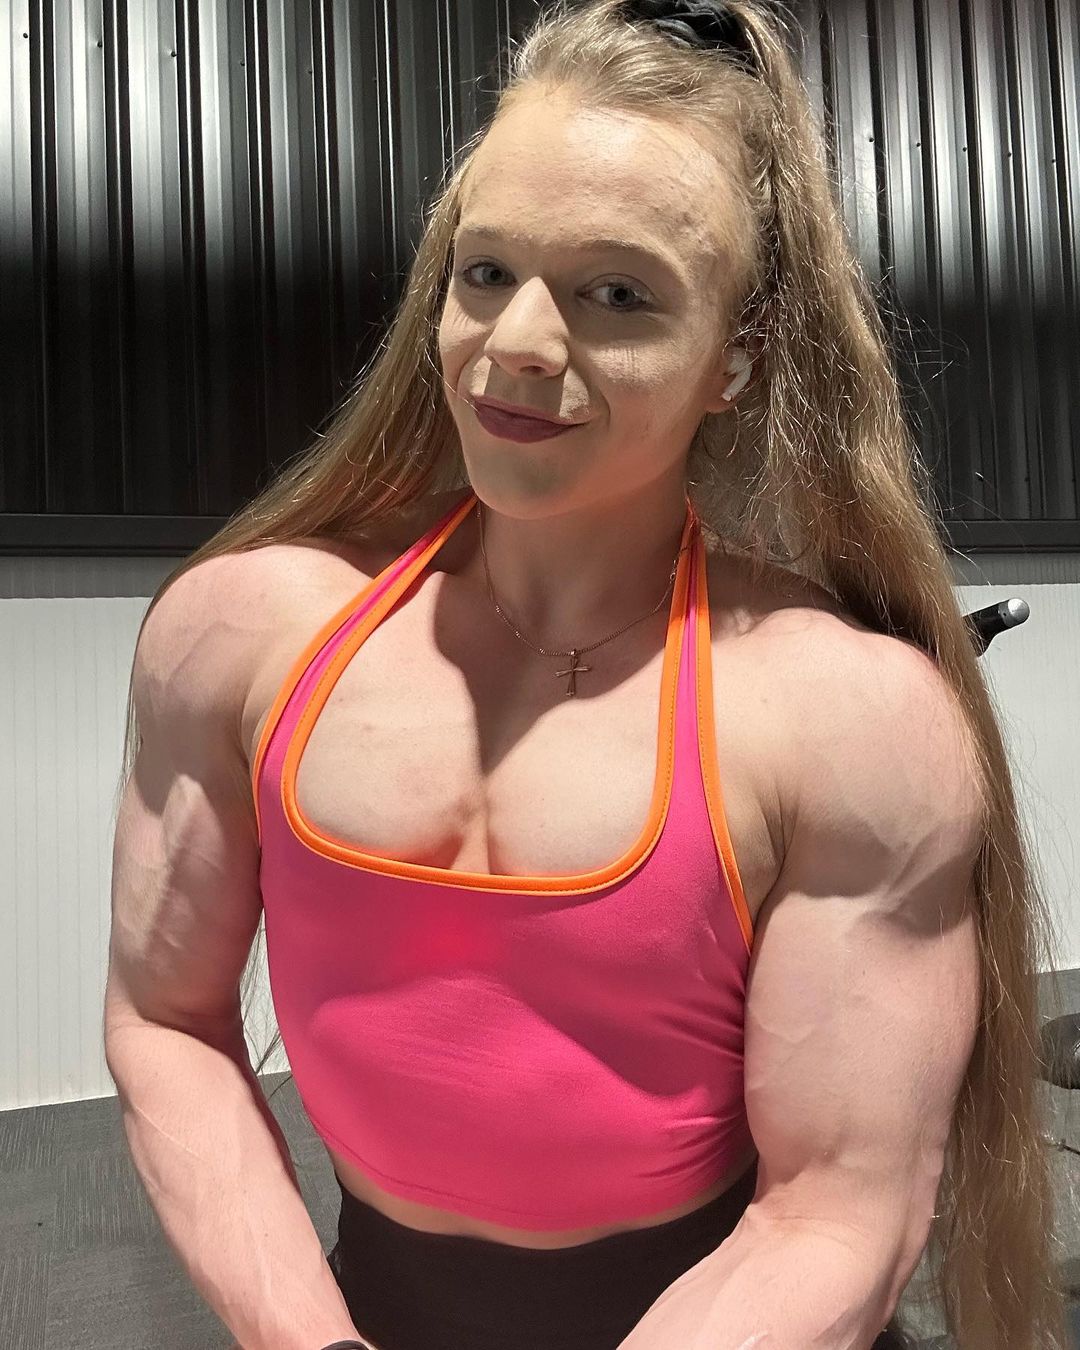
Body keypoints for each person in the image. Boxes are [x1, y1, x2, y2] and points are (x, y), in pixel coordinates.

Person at [102, 2, 1067, 1348]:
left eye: (619, 294)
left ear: (736, 356)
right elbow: (165, 1021)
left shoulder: (852, 721)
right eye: (487, 270)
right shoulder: (236, 636)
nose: (517, 344)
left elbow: (839, 1208)